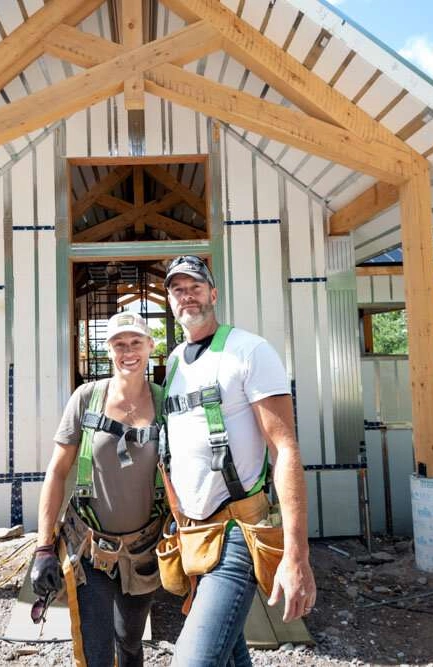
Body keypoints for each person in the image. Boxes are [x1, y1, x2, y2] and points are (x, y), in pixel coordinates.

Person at [161, 255, 317, 667]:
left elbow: (284, 450)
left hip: (236, 530)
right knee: (229, 655)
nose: (186, 296)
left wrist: (295, 554)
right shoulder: (175, 360)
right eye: (177, 289)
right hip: (192, 534)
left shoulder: (249, 350)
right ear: (171, 302)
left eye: (195, 287)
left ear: (213, 294)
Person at [31, 311, 164, 667]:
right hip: (90, 550)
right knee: (96, 651)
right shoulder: (86, 399)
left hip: (144, 550)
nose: (128, 350)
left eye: (136, 342)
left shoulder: (166, 403)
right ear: (109, 351)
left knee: (131, 642)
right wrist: (44, 547)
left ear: (151, 346)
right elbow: (57, 472)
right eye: (119, 344)